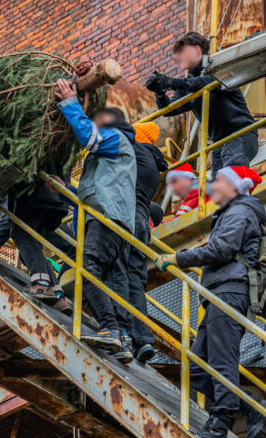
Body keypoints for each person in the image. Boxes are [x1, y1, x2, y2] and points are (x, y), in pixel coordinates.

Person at [154, 165, 266, 438]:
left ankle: (221, 423)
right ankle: (254, 407)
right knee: (198, 368)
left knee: (221, 361)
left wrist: (179, 258)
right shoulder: (231, 213)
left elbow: (222, 249)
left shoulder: (240, 211)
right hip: (218, 294)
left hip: (230, 292)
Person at [54, 79, 137, 360]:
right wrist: (66, 191)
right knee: (96, 279)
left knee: (87, 270)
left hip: (107, 219)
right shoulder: (117, 155)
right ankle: (122, 339)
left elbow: (87, 136)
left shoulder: (115, 139)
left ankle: (111, 330)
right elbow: (96, 191)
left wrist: (69, 103)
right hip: (114, 220)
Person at [103, 107, 167, 364]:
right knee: (136, 280)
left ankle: (124, 333)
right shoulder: (153, 162)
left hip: (125, 215)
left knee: (117, 271)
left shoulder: (131, 151)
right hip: (143, 222)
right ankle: (144, 340)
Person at [145, 32, 258, 170]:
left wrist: (169, 82)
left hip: (240, 135)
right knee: (217, 188)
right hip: (218, 144)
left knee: (231, 180)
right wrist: (160, 92)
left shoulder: (218, 67)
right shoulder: (187, 86)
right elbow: (169, 109)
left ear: (197, 50)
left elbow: (201, 83)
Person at [4, 178, 74, 315]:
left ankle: (41, 284)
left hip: (36, 194)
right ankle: (58, 296)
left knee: (21, 234)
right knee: (32, 248)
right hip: (54, 199)